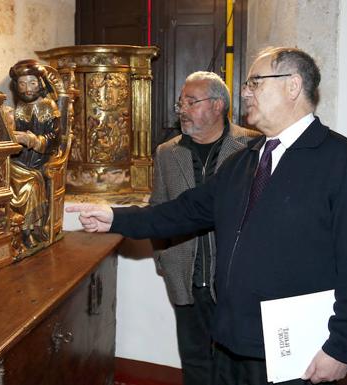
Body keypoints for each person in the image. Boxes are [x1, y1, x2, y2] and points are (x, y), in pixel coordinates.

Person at [67, 47, 347, 385]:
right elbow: (184, 211)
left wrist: (341, 347)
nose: (245, 92)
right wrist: (115, 219)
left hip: (296, 353)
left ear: (293, 86)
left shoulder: (343, 162)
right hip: (231, 342)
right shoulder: (244, 162)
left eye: (255, 83)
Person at [151, 71, 258, 385]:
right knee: (194, 359)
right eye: (181, 102)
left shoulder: (251, 145)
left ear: (217, 105)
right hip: (187, 278)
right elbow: (159, 208)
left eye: (191, 101)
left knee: (237, 364)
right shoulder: (166, 153)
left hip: (236, 281)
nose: (182, 109)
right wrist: (164, 261)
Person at [8, 59, 62, 248]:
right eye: (22, 84)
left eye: (32, 83)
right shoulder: (21, 106)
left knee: (31, 184)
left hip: (40, 160)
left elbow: (55, 138)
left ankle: (30, 230)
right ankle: (13, 227)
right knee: (2, 176)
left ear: (40, 83)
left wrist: (34, 141)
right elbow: (14, 131)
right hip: (19, 159)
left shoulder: (49, 106)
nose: (27, 88)